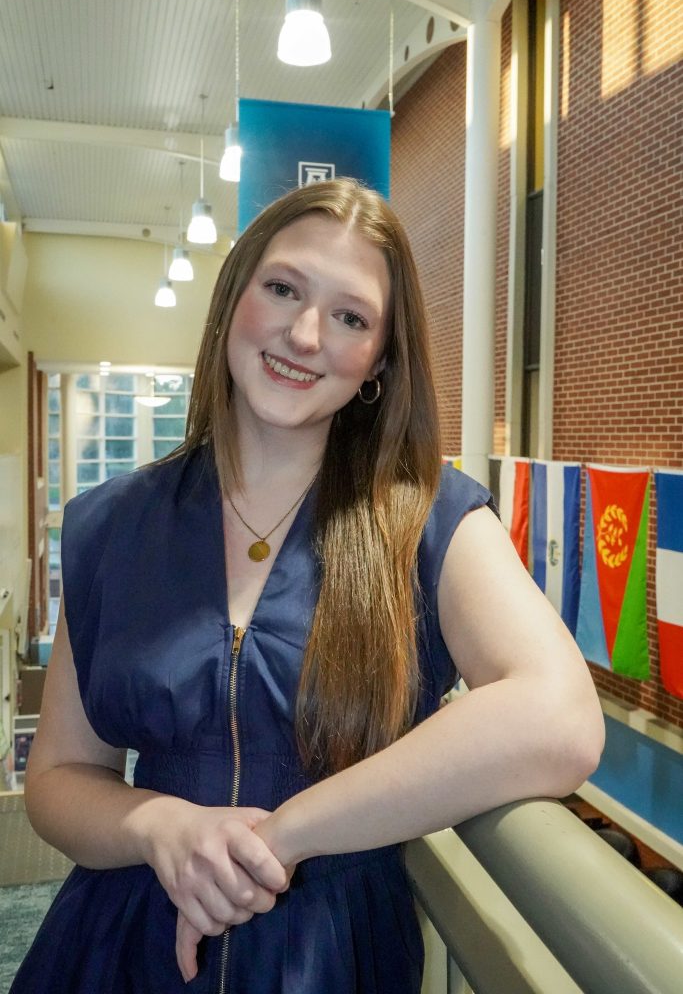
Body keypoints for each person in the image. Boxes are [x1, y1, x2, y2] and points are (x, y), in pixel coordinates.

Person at [12, 178, 604, 993]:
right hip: (122, 942)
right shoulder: (110, 525)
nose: (303, 333)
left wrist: (284, 836)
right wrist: (162, 828)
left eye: (350, 317)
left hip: (331, 956)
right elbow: (58, 779)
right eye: (283, 288)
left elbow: (559, 717)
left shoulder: (428, 522)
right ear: (233, 298)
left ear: (378, 361)